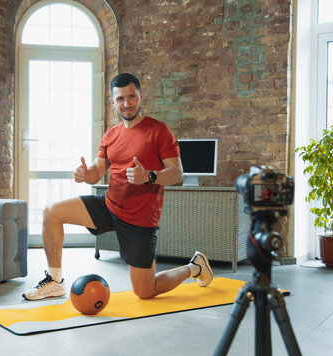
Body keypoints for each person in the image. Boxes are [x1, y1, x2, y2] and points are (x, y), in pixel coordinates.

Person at [23, 73, 213, 301]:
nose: (127, 103)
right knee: (51, 212)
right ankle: (55, 281)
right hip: (110, 206)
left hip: (139, 219)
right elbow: (96, 171)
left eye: (131, 97)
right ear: (113, 102)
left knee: (145, 292)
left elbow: (176, 173)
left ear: (141, 96)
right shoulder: (112, 134)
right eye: (120, 99)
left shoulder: (159, 130)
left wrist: (149, 176)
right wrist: (85, 175)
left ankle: (194, 266)